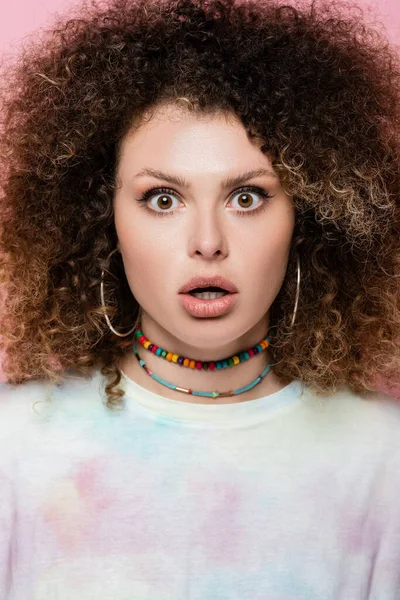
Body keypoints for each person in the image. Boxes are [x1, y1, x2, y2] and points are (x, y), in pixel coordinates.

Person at [0, 0, 399, 597]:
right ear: (101, 216)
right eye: (163, 199)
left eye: (247, 197)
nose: (207, 242)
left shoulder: (383, 461)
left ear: (310, 218)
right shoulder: (13, 448)